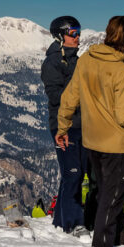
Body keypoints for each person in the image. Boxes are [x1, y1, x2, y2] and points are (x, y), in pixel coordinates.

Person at [57, 15, 124, 247]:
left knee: (102, 193)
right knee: (112, 199)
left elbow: (69, 97)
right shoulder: (123, 74)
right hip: (116, 147)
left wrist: (62, 127)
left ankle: (111, 241)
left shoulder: (86, 60)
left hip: (91, 142)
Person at [41, 15, 87, 234]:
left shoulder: (77, 60)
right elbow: (55, 96)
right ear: (61, 36)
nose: (77, 37)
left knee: (76, 173)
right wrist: (79, 94)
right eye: (73, 33)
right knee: (73, 173)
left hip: (81, 124)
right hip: (62, 126)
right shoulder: (52, 62)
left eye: (78, 33)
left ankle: (60, 220)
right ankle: (73, 223)